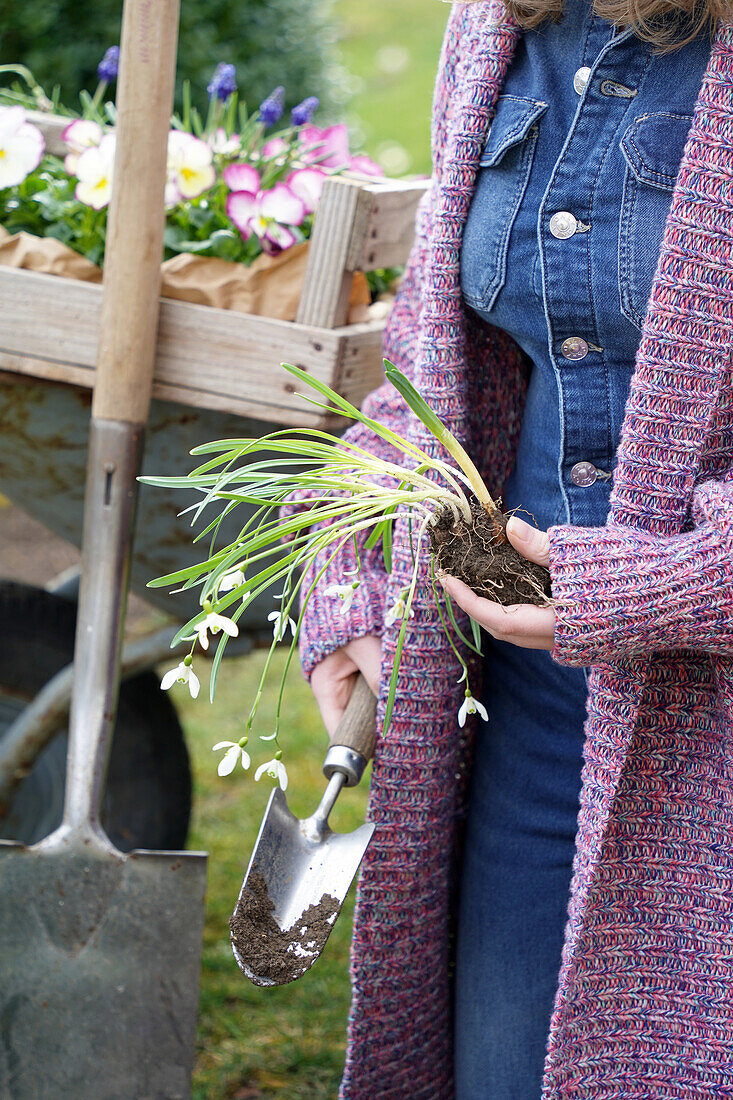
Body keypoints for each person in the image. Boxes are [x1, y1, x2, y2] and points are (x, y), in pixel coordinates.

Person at [299, 0, 733, 1096]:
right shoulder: (504, 24)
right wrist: (353, 575)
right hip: (529, 715)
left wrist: (665, 586)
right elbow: (431, 362)